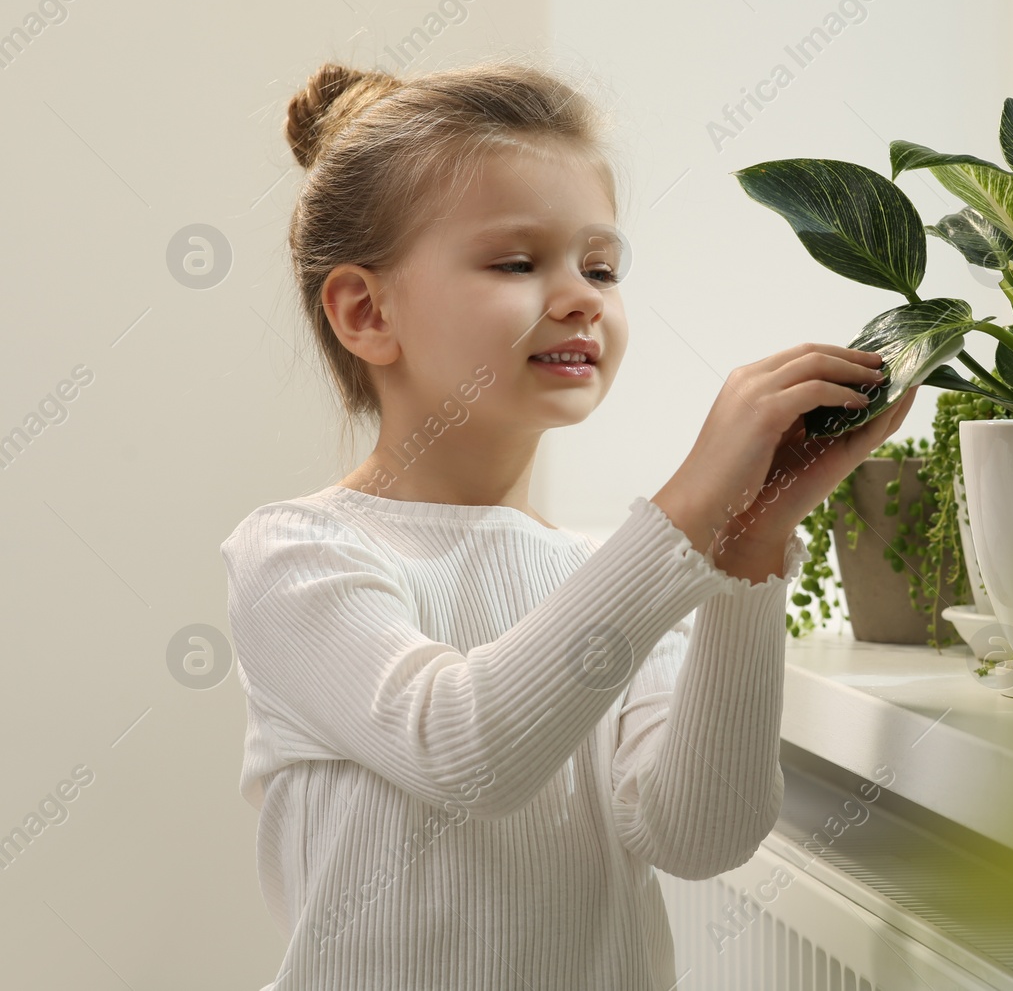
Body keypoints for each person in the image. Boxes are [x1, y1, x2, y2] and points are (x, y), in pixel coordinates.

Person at [219, 58, 917, 990]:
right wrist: (689, 508)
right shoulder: (296, 558)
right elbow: (468, 746)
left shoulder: (605, 574)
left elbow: (699, 832)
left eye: (601, 265)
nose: (582, 294)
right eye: (517, 262)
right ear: (365, 311)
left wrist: (748, 550)